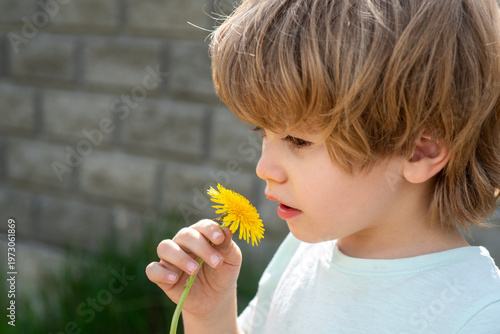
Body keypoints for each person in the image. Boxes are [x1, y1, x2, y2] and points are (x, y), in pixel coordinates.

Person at [146, 0, 500, 332]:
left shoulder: (477, 314)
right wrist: (210, 316)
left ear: (419, 152)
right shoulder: (301, 255)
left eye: (298, 140)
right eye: (262, 133)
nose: (264, 168)